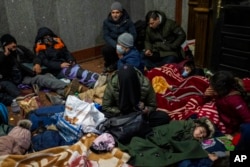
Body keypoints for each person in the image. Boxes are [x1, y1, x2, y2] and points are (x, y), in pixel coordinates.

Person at [101, 65, 170, 143]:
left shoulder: (145, 84)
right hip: (121, 115)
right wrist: (120, 111)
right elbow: (106, 106)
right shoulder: (113, 85)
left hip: (139, 115)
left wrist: (145, 109)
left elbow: (152, 105)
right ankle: (136, 129)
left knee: (163, 117)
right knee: (104, 116)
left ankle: (130, 130)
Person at [118, 117, 216, 167]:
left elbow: (187, 149)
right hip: (157, 139)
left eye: (203, 136)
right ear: (197, 125)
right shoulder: (182, 125)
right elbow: (169, 136)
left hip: (167, 149)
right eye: (201, 131)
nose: (200, 135)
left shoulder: (193, 141)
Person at [34, 27, 106, 89]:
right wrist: (60, 65)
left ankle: (94, 83)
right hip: (57, 70)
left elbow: (66, 53)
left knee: (78, 71)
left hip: (67, 65)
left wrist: (71, 60)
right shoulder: (41, 50)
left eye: (48, 36)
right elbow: (46, 63)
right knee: (76, 72)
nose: (48, 38)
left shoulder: (58, 43)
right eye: (45, 37)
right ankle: (96, 78)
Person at [102, 1, 137, 73]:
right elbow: (106, 36)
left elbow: (133, 34)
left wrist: (124, 45)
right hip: (114, 43)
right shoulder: (106, 22)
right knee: (105, 49)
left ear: (121, 13)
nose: (115, 15)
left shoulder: (128, 21)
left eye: (117, 12)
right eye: (113, 12)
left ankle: (117, 65)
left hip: (125, 44)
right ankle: (110, 64)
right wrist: (116, 46)